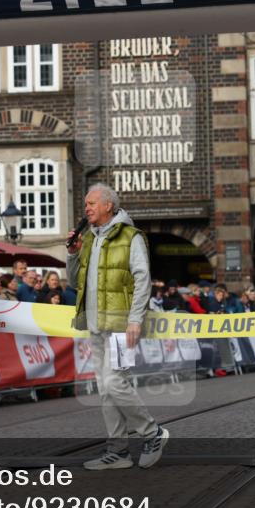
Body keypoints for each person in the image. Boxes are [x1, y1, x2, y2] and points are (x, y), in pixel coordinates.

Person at [67, 183, 168, 470]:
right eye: (86, 204)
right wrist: (73, 253)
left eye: (91, 203)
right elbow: (76, 283)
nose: (86, 208)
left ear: (108, 205)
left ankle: (152, 433)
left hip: (121, 324)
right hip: (96, 324)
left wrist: (136, 319)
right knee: (104, 388)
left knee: (115, 382)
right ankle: (118, 451)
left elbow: (142, 279)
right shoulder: (89, 238)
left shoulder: (130, 236)